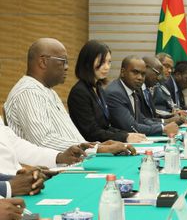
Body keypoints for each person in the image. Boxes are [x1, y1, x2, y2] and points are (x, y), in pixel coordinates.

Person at [3, 38, 135, 155]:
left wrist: (97, 145)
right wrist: (97, 149)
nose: (67, 67)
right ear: (43, 62)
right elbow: (44, 141)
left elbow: (70, 135)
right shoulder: (28, 92)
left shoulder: (48, 91)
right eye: (63, 61)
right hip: (48, 172)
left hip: (72, 161)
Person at [68, 40, 146, 143]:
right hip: (88, 150)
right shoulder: (79, 92)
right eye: (102, 62)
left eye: (109, 62)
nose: (107, 67)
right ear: (87, 61)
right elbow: (91, 132)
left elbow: (105, 127)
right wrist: (124, 137)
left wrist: (127, 134)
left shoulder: (99, 89)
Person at [105, 55, 179, 136]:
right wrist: (163, 128)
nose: (140, 78)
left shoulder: (133, 90)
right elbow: (131, 127)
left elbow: (142, 120)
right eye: (135, 72)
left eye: (143, 74)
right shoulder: (116, 93)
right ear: (123, 72)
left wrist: (165, 125)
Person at [0, 119, 87, 175]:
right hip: (9, 188)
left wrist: (59, 157)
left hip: (20, 180)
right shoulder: (28, 91)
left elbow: (16, 145)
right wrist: (9, 185)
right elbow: (43, 140)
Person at [141, 56, 187, 123]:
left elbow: (171, 105)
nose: (170, 70)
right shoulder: (149, 86)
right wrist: (168, 117)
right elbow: (151, 112)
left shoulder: (162, 84)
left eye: (171, 68)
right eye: (166, 66)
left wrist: (176, 112)